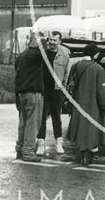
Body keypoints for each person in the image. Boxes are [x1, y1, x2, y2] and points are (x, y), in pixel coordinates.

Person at [67, 43, 105, 166]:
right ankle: (93, 155)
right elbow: (101, 92)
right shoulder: (98, 69)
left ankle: (83, 154)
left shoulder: (75, 66)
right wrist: (104, 105)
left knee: (81, 128)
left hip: (78, 103)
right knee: (92, 130)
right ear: (95, 54)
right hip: (93, 105)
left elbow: (70, 84)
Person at [36, 31, 70, 156]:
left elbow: (66, 73)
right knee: (42, 117)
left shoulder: (64, 54)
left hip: (56, 90)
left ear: (59, 41)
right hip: (43, 89)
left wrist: (63, 88)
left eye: (54, 40)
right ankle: (41, 144)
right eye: (50, 40)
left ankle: (59, 143)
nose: (51, 42)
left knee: (57, 117)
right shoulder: (42, 52)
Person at [14, 32, 45, 162]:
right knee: (33, 124)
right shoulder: (36, 55)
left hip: (22, 93)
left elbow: (16, 76)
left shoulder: (21, 56)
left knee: (23, 123)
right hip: (33, 93)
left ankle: (20, 149)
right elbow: (44, 54)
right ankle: (28, 151)